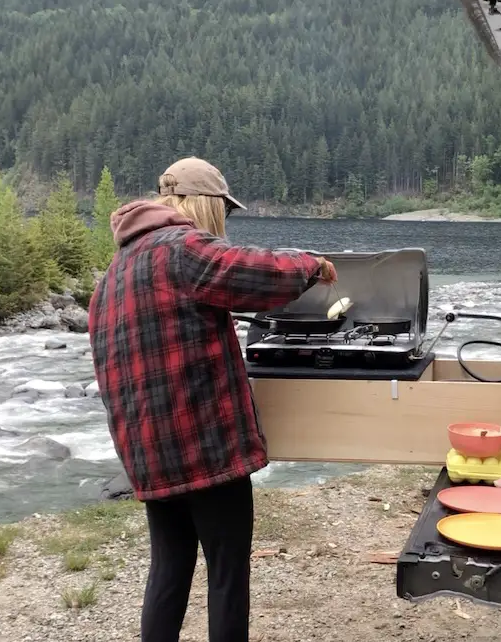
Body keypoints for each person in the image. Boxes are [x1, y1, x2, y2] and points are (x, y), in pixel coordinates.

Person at [87, 156, 336, 642]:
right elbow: (250, 272)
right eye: (223, 210)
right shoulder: (182, 247)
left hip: (149, 450)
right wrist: (312, 265)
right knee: (227, 573)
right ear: (203, 203)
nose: (224, 222)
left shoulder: (114, 274)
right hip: (203, 445)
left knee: (169, 569)